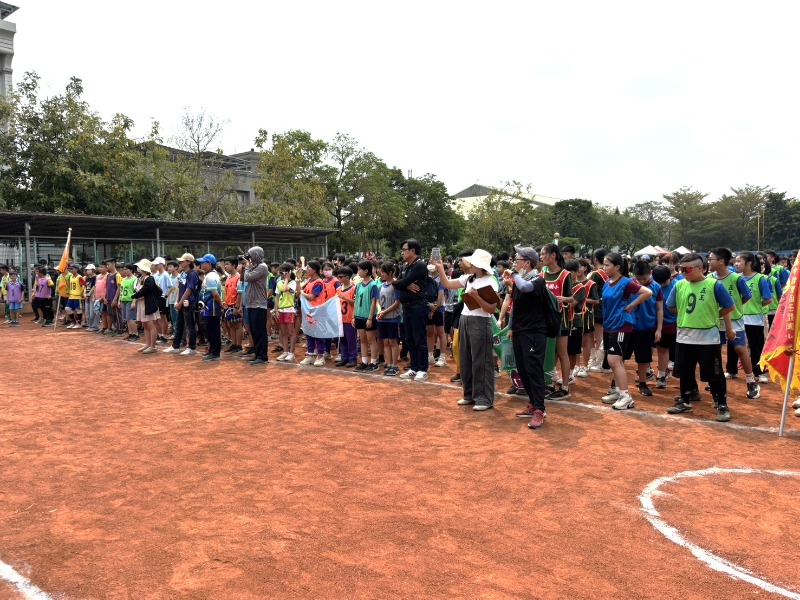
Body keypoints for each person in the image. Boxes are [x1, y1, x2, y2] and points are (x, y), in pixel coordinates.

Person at [666, 253, 735, 422]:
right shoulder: (679, 285)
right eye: (681, 269)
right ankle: (685, 400)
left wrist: (711, 315)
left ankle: (722, 404)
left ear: (700, 268)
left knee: (714, 373)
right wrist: (687, 315)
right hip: (684, 337)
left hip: (708, 338)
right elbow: (671, 306)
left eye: (688, 269)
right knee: (685, 372)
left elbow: (729, 306)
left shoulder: (714, 285)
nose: (684, 272)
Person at [434, 249, 500, 410]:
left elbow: (491, 309)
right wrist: (440, 268)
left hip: (481, 321)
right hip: (465, 319)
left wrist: (476, 297)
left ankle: (484, 399)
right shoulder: (468, 278)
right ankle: (469, 394)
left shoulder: (490, 281)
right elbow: (447, 284)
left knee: (481, 361)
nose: (470, 264)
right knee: (465, 359)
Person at [598, 253, 653, 410]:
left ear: (617, 267)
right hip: (609, 325)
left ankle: (626, 396)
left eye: (607, 265)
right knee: (616, 361)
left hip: (621, 325)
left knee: (614, 360)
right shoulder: (607, 283)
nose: (604, 267)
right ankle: (618, 391)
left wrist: (631, 306)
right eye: (604, 264)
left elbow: (647, 293)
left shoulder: (626, 282)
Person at [503, 247, 549, 428]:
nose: (514, 262)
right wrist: (511, 327)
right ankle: (532, 403)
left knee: (534, 369)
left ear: (527, 263)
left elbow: (525, 287)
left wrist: (514, 275)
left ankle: (540, 410)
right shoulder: (518, 281)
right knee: (522, 369)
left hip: (535, 332)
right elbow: (515, 306)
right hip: (520, 331)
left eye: (517, 260)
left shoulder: (537, 280)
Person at [708, 248, 760, 399]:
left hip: (735, 320)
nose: (708, 262)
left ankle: (751, 381)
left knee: (740, 349)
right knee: (714, 350)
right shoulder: (709, 278)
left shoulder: (736, 279)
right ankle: (715, 380)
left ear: (721, 261)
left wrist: (734, 307)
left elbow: (747, 296)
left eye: (711, 259)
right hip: (715, 320)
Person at [540, 243, 574, 399]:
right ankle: (548, 383)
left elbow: (572, 298)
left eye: (543, 254)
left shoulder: (565, 275)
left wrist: (563, 299)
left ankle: (565, 387)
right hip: (544, 319)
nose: (541, 257)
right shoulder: (542, 275)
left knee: (562, 353)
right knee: (548, 353)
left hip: (561, 319)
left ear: (553, 255)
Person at [393, 239, 430, 380]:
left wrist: (403, 283)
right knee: (409, 339)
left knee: (419, 338)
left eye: (404, 249)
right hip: (406, 307)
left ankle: (423, 369)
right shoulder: (404, 266)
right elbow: (397, 283)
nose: (402, 252)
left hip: (418, 306)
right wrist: (406, 285)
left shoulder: (419, 265)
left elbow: (400, 282)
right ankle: (414, 367)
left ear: (413, 251)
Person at [627, 260, 663, 397]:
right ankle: (615, 383)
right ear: (633, 274)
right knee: (620, 357)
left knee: (643, 358)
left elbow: (659, 309)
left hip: (646, 328)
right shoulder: (628, 284)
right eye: (639, 278)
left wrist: (659, 329)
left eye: (644, 278)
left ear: (650, 274)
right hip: (628, 326)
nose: (641, 281)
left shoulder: (656, 287)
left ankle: (643, 383)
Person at [735, 251, 772, 383]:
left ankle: (760, 372)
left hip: (754, 318)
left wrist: (755, 306)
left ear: (749, 263)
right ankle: (731, 370)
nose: (736, 264)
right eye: (735, 261)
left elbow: (768, 299)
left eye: (739, 261)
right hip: (738, 316)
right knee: (735, 345)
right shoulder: (736, 278)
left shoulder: (760, 278)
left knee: (756, 346)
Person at [164, 253, 199, 356]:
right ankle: (176, 345)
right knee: (179, 324)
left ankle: (192, 347)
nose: (180, 263)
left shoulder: (192, 274)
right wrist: (177, 301)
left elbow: (189, 290)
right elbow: (180, 288)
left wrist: (180, 302)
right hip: (181, 302)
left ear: (188, 262)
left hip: (188, 303)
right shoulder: (183, 273)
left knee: (190, 325)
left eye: (182, 261)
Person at [242, 246, 269, 366]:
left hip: (259, 304)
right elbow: (243, 277)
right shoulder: (255, 267)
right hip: (251, 303)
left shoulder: (262, 267)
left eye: (250, 255)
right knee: (253, 330)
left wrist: (247, 266)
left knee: (259, 331)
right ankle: (258, 354)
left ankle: (262, 356)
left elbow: (247, 278)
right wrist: (247, 267)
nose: (249, 258)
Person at [299, 260, 328, 367]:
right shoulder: (309, 280)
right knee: (309, 333)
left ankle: (320, 356)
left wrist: (302, 293)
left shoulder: (318, 282)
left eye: (308, 268)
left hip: (317, 311)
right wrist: (298, 280)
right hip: (309, 310)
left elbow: (311, 296)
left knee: (318, 334)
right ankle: (310, 355)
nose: (306, 269)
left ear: (314, 270)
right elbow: (299, 291)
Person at [353, 260, 380, 372]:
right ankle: (364, 362)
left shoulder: (373, 285)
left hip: (368, 317)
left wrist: (370, 318)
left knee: (371, 340)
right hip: (359, 316)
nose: (358, 272)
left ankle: (373, 363)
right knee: (363, 340)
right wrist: (354, 316)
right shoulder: (359, 285)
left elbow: (374, 302)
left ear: (366, 271)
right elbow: (355, 301)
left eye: (360, 269)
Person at [376, 262, 402, 376]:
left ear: (390, 273)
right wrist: (379, 310)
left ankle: (394, 365)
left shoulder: (395, 285)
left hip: (392, 318)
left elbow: (397, 303)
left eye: (383, 272)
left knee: (393, 342)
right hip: (382, 318)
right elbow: (378, 301)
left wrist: (384, 312)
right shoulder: (382, 285)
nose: (381, 274)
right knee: (385, 342)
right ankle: (389, 363)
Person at [131, 259, 161, 354]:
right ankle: (148, 344)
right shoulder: (140, 278)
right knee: (145, 325)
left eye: (139, 267)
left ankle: (153, 346)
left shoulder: (149, 279)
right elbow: (138, 290)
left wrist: (134, 296)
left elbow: (145, 290)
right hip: (142, 303)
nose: (138, 268)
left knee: (150, 325)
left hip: (148, 304)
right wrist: (135, 297)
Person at [196, 254, 223, 361]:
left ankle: (215, 353)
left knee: (213, 330)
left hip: (212, 307)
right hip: (209, 307)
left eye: (203, 262)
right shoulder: (209, 275)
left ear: (209, 264)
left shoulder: (211, 276)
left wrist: (221, 304)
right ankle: (212, 350)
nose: (201, 264)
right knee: (210, 329)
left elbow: (215, 294)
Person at [334, 266, 357, 368]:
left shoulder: (354, 288)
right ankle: (344, 357)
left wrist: (345, 298)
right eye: (338, 276)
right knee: (342, 340)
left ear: (347, 277)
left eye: (341, 277)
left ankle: (352, 359)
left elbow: (355, 302)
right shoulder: (339, 289)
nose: (339, 279)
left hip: (349, 318)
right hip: (340, 319)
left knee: (351, 340)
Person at [425, 264, 448, 368]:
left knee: (441, 333)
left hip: (439, 309)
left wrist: (434, 309)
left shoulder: (442, 278)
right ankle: (430, 356)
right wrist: (429, 306)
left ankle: (442, 358)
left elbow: (441, 295)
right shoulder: (426, 278)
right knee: (429, 332)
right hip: (428, 308)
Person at [222, 257, 243, 353]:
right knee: (230, 325)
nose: (225, 266)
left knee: (237, 325)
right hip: (228, 305)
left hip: (235, 305)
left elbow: (240, 293)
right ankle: (234, 344)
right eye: (225, 264)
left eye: (227, 264)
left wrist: (237, 306)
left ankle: (239, 345)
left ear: (234, 265)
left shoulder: (238, 277)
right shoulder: (228, 277)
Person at [64, 263, 85, 329]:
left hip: (77, 296)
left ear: (76, 269)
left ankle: (79, 323)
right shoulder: (71, 277)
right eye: (70, 269)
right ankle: (73, 322)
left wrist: (82, 293)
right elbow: (70, 285)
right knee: (67, 308)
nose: (71, 270)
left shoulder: (79, 277)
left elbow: (83, 285)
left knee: (78, 310)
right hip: (71, 295)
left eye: (72, 269)